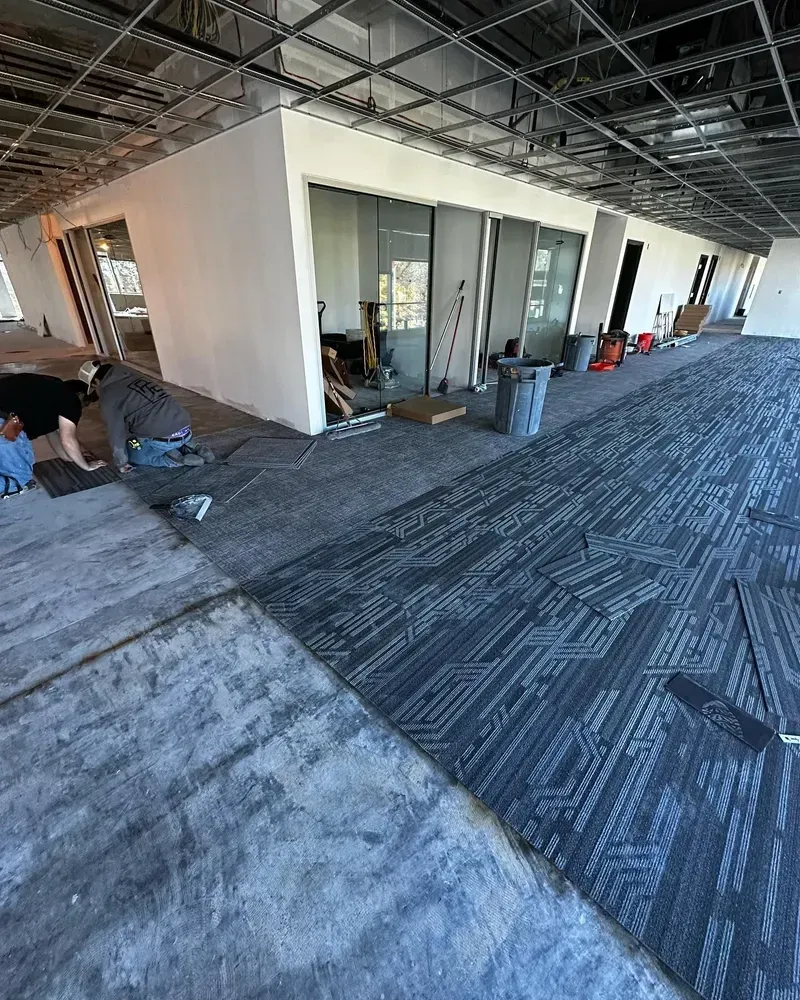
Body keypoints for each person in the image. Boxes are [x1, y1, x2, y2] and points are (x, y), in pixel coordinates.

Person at [78, 361, 214, 473]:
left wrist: (122, 462)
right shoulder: (134, 376)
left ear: (96, 380)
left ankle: (174, 460)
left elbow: (116, 434)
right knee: (155, 426)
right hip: (185, 427)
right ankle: (194, 446)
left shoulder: (108, 398)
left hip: (163, 438)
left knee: (134, 453)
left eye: (94, 386)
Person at [0, 373, 105, 499]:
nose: (83, 408)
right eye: (86, 403)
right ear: (80, 394)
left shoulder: (48, 395)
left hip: (5, 416)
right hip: (4, 422)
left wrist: (78, 457)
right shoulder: (71, 399)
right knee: (20, 479)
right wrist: (87, 467)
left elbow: (58, 441)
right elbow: (68, 440)